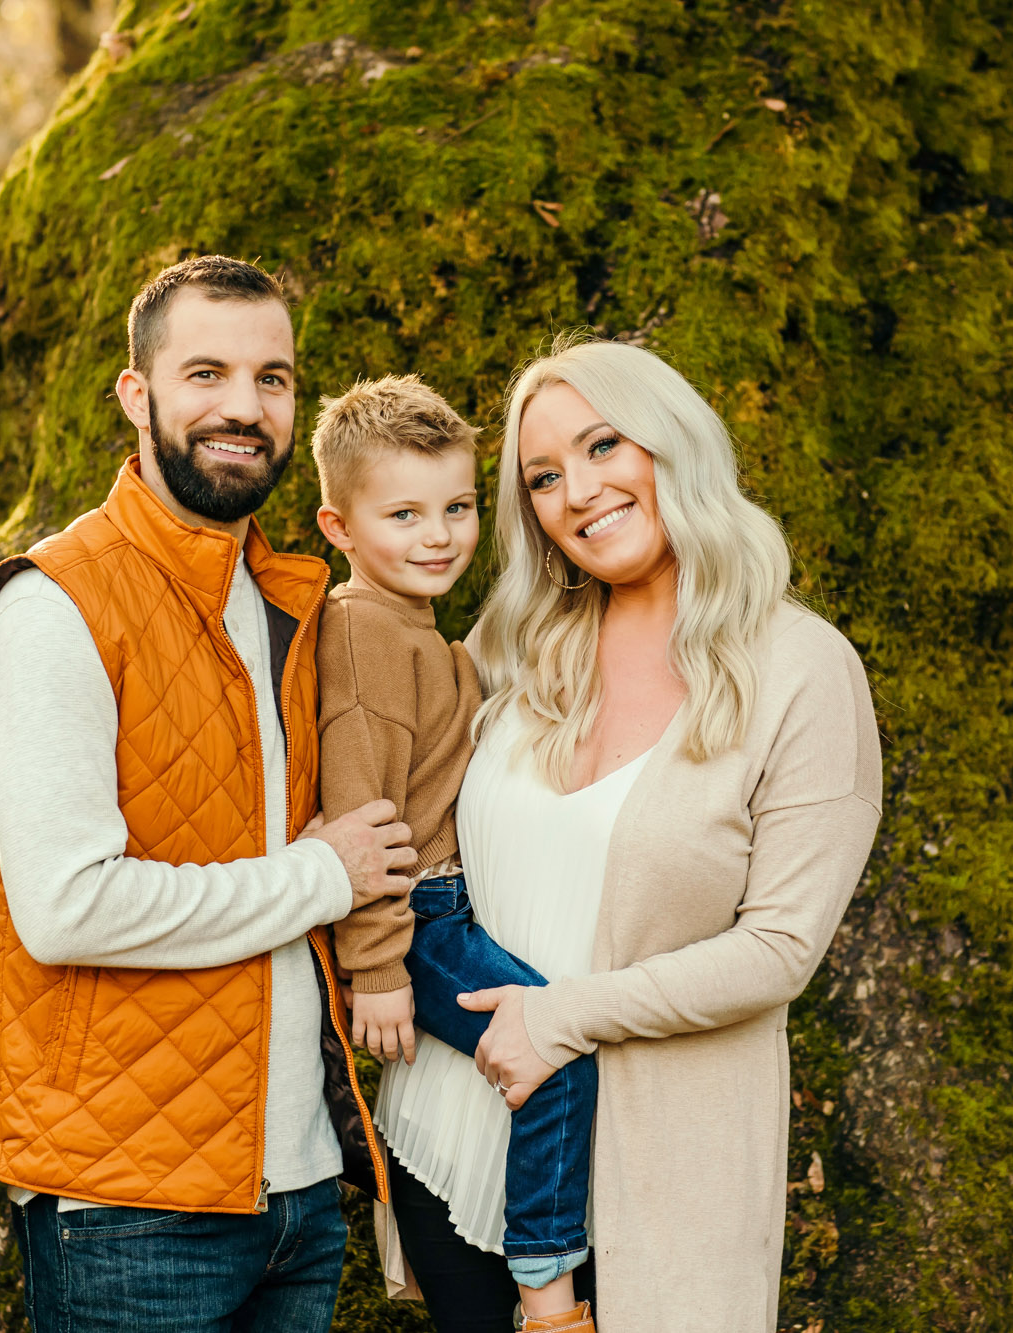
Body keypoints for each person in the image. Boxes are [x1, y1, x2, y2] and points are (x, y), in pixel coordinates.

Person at [375, 335, 883, 1332]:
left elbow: (779, 949)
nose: (578, 491)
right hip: (446, 1135)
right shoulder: (511, 645)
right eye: (542, 477)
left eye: (603, 445)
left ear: (671, 442)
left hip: (649, 1180)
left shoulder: (801, 670)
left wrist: (562, 1014)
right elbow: (405, 816)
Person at [0, 255, 416, 1332]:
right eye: (204, 372)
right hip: (127, 1207)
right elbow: (68, 907)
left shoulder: (295, 601)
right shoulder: (55, 603)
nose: (242, 408)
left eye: (272, 378)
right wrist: (321, 876)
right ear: (137, 394)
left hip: (296, 1192)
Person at [309, 376, 598, 1333]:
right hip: (418, 918)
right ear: (339, 527)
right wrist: (379, 966)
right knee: (553, 1056)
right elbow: (361, 810)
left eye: (459, 507)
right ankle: (548, 1283)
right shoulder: (362, 636)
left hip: (443, 909)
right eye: (404, 514)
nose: (438, 535)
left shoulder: (427, 633)